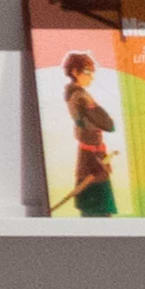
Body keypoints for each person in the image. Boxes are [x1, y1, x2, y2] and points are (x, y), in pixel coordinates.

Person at [55, 50, 119, 217]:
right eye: (87, 72)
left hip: (90, 153)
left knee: (92, 206)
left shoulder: (70, 93)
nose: (91, 77)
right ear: (75, 72)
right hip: (92, 156)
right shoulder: (81, 96)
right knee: (97, 208)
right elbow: (109, 124)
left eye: (92, 72)